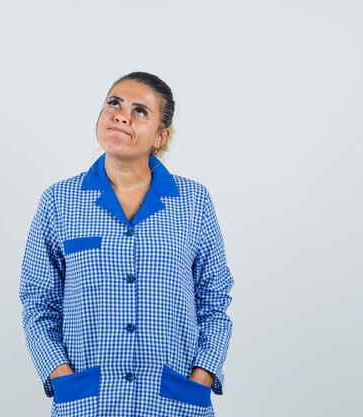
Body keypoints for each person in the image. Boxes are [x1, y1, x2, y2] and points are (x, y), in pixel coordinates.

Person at [19, 71, 234, 417]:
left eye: (140, 111)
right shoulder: (60, 202)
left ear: (161, 136)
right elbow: (39, 303)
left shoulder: (193, 202)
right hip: (89, 403)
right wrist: (60, 376)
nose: (121, 115)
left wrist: (202, 376)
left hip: (175, 402)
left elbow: (214, 300)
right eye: (114, 104)